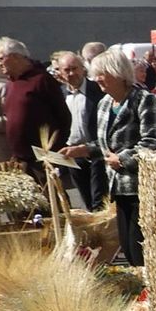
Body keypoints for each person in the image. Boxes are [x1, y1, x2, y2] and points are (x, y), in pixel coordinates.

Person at [90, 46, 156, 265]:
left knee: (141, 248)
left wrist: (123, 160)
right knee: (128, 247)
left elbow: (154, 142)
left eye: (101, 74)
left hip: (140, 187)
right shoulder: (104, 104)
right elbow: (106, 145)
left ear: (117, 73)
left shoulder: (143, 100)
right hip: (118, 189)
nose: (97, 79)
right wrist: (84, 150)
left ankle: (151, 294)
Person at [0, 36, 71, 169]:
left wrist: (54, 149)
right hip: (20, 157)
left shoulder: (41, 80)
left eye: (1, 58)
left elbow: (63, 116)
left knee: (50, 189)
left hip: (44, 157)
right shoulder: (11, 83)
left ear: (16, 57)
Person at [58, 51, 105, 207]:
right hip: (73, 155)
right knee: (86, 199)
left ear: (83, 69)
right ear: (60, 72)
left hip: (96, 152)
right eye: (67, 70)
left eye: (75, 68)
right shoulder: (60, 94)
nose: (71, 73)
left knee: (99, 200)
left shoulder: (97, 90)